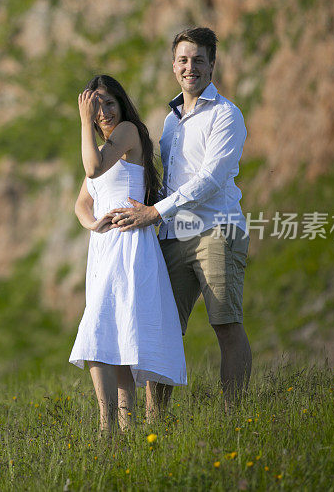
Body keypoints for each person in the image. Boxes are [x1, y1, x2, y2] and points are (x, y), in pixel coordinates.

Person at [110, 27, 252, 413]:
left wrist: (154, 212)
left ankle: (232, 418)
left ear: (212, 65)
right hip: (173, 234)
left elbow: (210, 179)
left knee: (225, 323)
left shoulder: (227, 114)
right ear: (174, 66)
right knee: (164, 332)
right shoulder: (172, 120)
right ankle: (158, 425)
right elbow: (172, 179)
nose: (191, 67)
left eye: (199, 60)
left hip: (216, 229)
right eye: (184, 60)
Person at [69, 75, 187, 436]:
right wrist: (93, 224)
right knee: (111, 332)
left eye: (108, 103)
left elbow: (92, 169)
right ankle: (122, 429)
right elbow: (81, 203)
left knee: (102, 329)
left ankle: (109, 430)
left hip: (130, 245)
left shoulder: (127, 132)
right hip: (105, 247)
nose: (103, 112)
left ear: (121, 105)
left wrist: (84, 123)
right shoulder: (103, 146)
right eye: (96, 105)